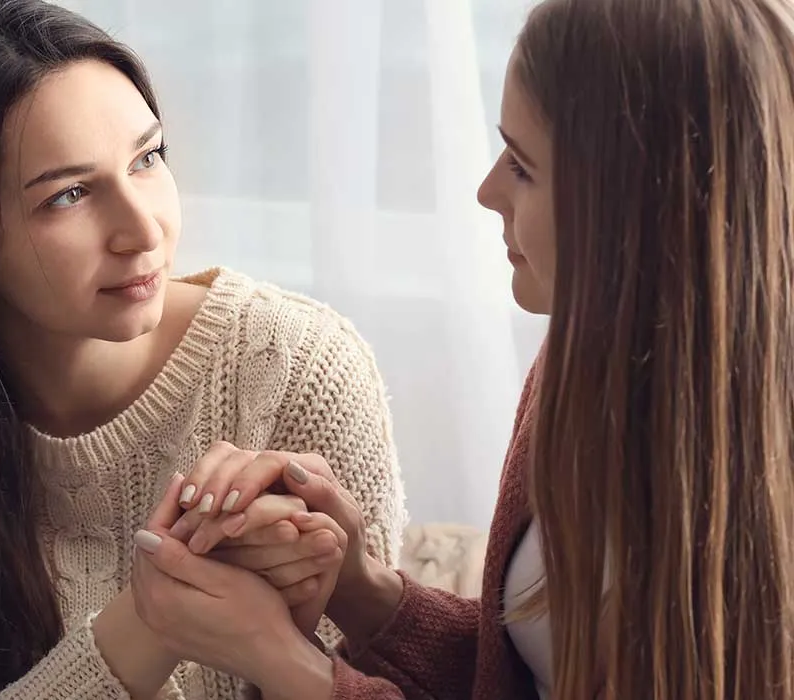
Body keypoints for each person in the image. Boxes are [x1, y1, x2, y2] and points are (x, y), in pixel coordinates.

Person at [131, 0, 794, 698]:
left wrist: (287, 665)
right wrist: (363, 590)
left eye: (525, 167)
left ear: (639, 203)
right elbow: (533, 668)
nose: (486, 191)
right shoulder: (577, 375)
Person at [0, 1, 406, 699]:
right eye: (70, 195)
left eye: (148, 158)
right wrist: (152, 622)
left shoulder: (297, 367)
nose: (143, 230)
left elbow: (380, 682)